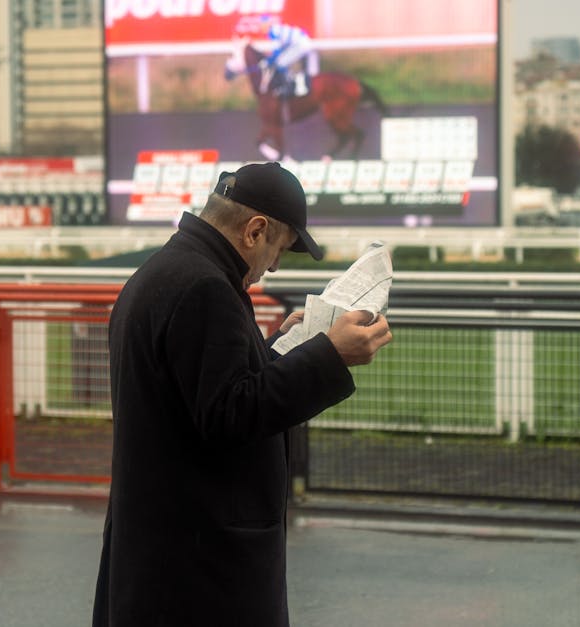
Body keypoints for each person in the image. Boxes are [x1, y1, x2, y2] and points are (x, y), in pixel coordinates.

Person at [92, 162, 392, 626]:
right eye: (280, 249)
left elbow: (205, 392)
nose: (273, 265)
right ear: (255, 230)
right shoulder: (207, 287)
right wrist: (331, 356)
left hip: (162, 554)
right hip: (200, 567)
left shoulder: (167, 271)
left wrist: (276, 349)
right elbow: (232, 413)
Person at [237, 15, 319, 97]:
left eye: (262, 25)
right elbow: (279, 51)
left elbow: (277, 52)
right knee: (281, 62)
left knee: (280, 63)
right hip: (302, 43)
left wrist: (267, 62)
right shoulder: (275, 30)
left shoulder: (274, 32)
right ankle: (291, 84)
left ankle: (289, 87)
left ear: (266, 24)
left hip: (302, 44)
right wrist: (269, 61)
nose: (260, 27)